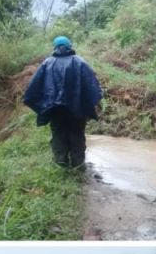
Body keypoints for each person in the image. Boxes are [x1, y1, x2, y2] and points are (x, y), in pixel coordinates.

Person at [23, 36, 102, 169]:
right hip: (77, 109)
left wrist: (43, 105)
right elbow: (92, 87)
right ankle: (78, 165)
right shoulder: (80, 62)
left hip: (55, 109)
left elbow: (34, 87)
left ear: (55, 47)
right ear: (70, 46)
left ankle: (60, 164)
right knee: (77, 134)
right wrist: (88, 104)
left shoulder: (47, 63)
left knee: (58, 134)